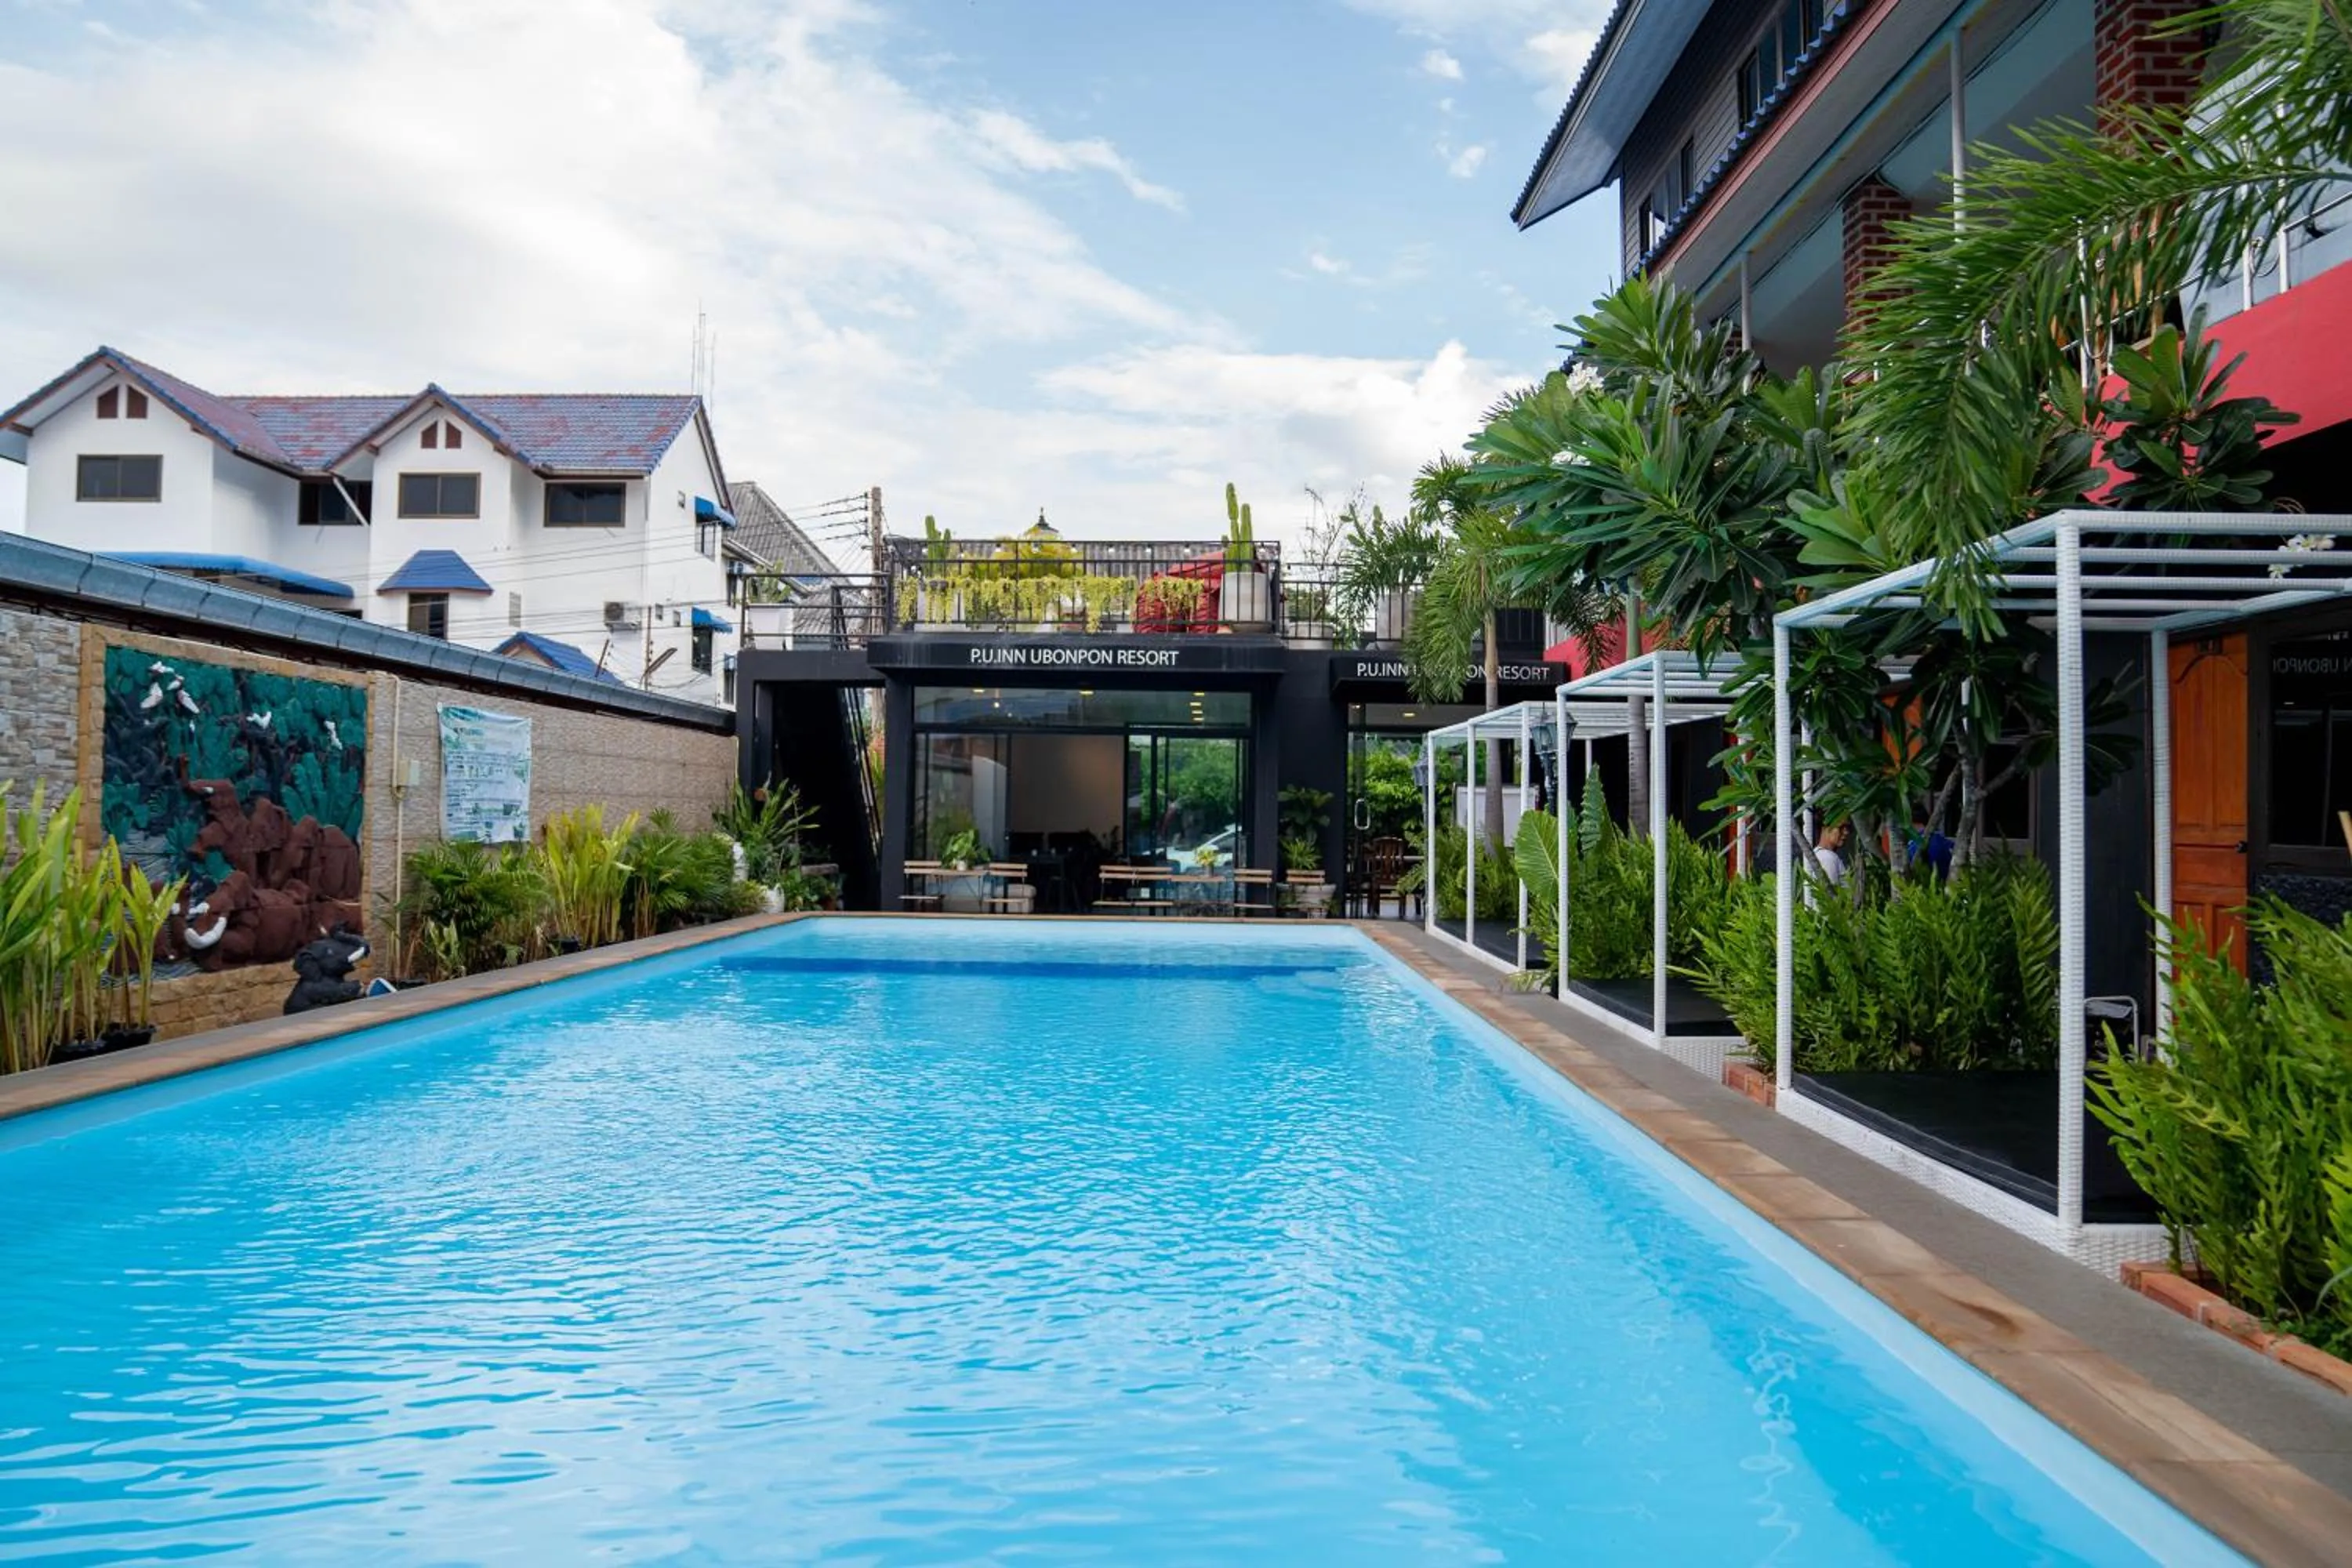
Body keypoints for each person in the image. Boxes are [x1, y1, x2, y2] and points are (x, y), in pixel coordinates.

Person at [1813, 822, 1850, 886]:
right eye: (1841, 827)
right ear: (1825, 828)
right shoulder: (1828, 858)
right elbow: (1830, 895)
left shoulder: (1819, 854)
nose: (1846, 832)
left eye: (1848, 827)